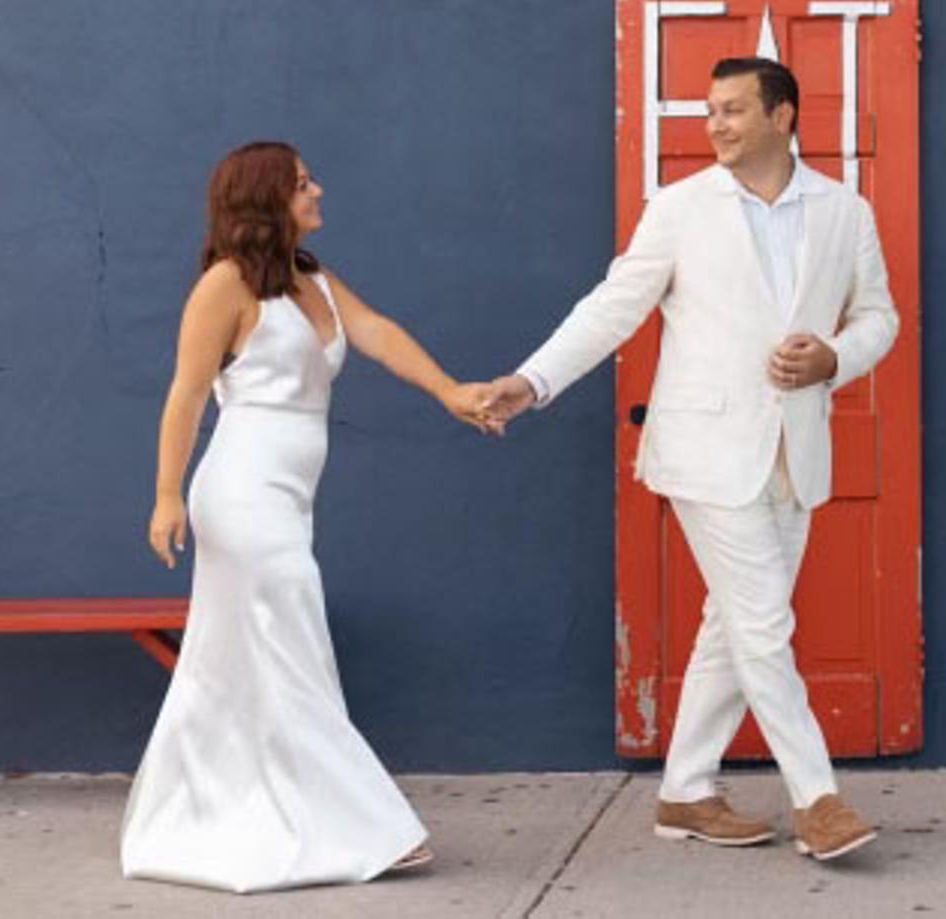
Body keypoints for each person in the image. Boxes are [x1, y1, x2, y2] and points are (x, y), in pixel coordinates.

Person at [478, 56, 897, 862]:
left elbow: (879, 315)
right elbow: (612, 308)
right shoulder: (678, 209)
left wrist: (834, 358)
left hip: (795, 450)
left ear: (783, 116)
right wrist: (532, 382)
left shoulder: (845, 211)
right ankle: (819, 797)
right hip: (707, 449)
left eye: (734, 109)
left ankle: (687, 791)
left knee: (732, 624)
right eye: (710, 110)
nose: (715, 124)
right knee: (764, 622)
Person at [122, 141, 496, 893]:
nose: (318, 189)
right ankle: (370, 827)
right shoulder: (224, 287)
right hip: (240, 496)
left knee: (243, 659)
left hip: (289, 501)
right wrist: (166, 494)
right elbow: (187, 394)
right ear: (266, 200)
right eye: (301, 184)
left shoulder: (311, 278)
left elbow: (379, 332)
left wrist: (449, 389)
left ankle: (205, 807)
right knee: (294, 647)